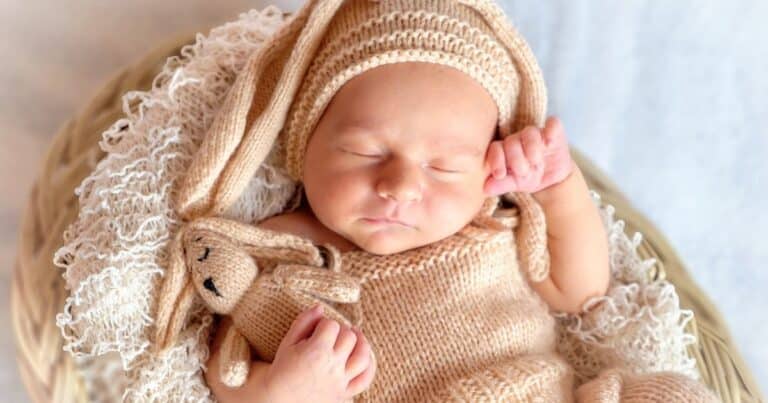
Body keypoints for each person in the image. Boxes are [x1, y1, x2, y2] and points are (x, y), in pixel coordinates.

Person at [161, 0, 720, 401]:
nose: (400, 186)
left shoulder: (492, 222)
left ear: (485, 166)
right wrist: (284, 391)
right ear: (304, 145)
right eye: (363, 151)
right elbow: (225, 369)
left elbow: (583, 289)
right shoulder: (282, 249)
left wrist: (556, 187)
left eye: (443, 166)